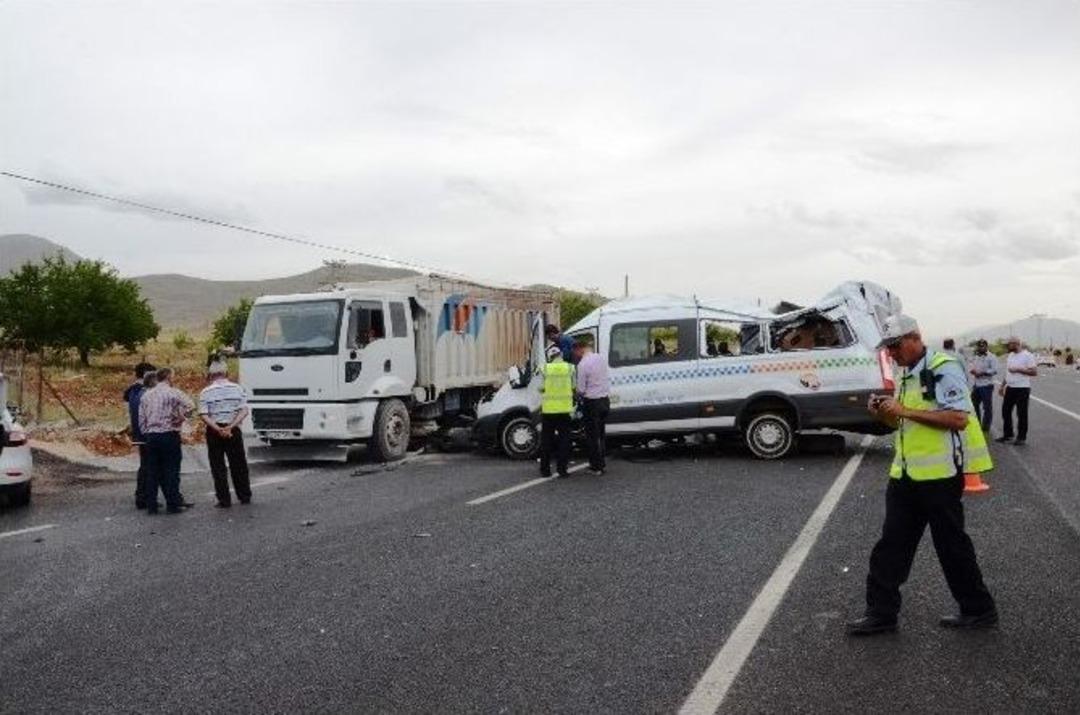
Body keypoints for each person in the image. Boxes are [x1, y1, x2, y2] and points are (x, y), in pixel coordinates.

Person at [847, 314, 996, 636]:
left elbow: (958, 418)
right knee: (891, 546)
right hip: (906, 475)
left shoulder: (944, 365)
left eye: (895, 346)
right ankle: (881, 614)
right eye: (887, 348)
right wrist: (885, 413)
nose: (891, 354)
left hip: (940, 476)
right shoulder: (906, 373)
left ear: (915, 338)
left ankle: (979, 610)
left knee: (952, 546)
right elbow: (900, 422)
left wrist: (904, 411)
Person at [139, 367, 195, 515]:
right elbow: (190, 405)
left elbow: (141, 420)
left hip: (151, 436)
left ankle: (151, 505)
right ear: (169, 377)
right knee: (171, 470)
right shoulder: (173, 392)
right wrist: (181, 418)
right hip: (169, 434)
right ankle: (173, 503)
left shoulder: (146, 395)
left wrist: (147, 433)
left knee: (152, 471)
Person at [198, 361, 252, 508]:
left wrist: (218, 428)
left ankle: (224, 499)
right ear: (226, 373)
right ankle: (244, 495)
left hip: (214, 431)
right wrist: (230, 427)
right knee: (239, 464)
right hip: (233, 429)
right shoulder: (238, 388)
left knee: (218, 466)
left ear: (210, 375)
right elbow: (244, 411)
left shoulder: (205, 392)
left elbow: (204, 414)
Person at [573, 338, 610, 475]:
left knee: (592, 437)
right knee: (601, 434)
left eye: (575, 352)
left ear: (579, 349)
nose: (575, 355)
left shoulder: (582, 365)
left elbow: (581, 389)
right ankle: (603, 464)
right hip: (605, 401)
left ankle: (596, 467)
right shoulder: (600, 358)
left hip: (592, 403)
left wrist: (575, 394)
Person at [538, 344, 575, 479]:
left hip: (549, 410)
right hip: (565, 410)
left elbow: (540, 388)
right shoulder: (570, 368)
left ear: (549, 357)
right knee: (564, 439)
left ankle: (545, 470)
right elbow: (574, 386)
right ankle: (562, 470)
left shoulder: (545, 368)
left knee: (546, 440)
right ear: (561, 355)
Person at [123, 361, 156, 509]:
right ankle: (145, 497)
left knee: (145, 465)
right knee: (151, 466)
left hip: (138, 433)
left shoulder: (131, 391)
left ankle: (142, 495)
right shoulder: (146, 392)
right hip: (148, 432)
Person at [997, 337, 1036, 445]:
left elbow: (1034, 372)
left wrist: (1018, 369)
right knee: (1006, 412)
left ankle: (1021, 437)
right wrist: (1002, 386)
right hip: (1010, 388)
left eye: (1009, 344)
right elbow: (1008, 372)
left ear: (1016, 344)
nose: (1008, 346)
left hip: (1022, 388)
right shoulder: (1010, 355)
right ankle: (1008, 435)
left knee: (1021, 414)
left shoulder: (1027, 355)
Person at [968, 339, 997, 432]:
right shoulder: (975, 356)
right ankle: (977, 424)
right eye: (979, 346)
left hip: (987, 385)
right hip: (977, 385)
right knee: (973, 405)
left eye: (983, 346)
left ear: (986, 346)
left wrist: (983, 372)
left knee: (987, 407)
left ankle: (985, 427)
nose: (981, 348)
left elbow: (994, 370)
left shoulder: (992, 357)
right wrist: (972, 370)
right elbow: (971, 366)